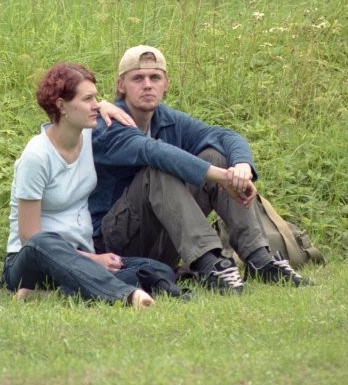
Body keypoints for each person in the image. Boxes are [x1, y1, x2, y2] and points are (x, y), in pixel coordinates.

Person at [90, 46, 310, 292]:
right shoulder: (107, 125)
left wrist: (241, 167)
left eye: (155, 77)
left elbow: (224, 135)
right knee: (157, 171)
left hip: (163, 240)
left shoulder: (166, 119)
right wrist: (222, 177)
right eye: (138, 78)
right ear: (121, 85)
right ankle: (210, 265)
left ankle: (260, 259)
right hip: (115, 245)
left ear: (166, 84)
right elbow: (155, 152)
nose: (148, 85)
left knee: (215, 155)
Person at [1, 61, 184, 309]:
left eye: (96, 97)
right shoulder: (36, 157)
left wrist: (107, 105)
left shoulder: (89, 136)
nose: (96, 104)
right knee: (43, 241)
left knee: (156, 269)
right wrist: (94, 260)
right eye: (88, 99)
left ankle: (51, 294)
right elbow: (29, 237)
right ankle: (126, 296)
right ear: (61, 106)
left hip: (82, 256)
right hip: (32, 262)